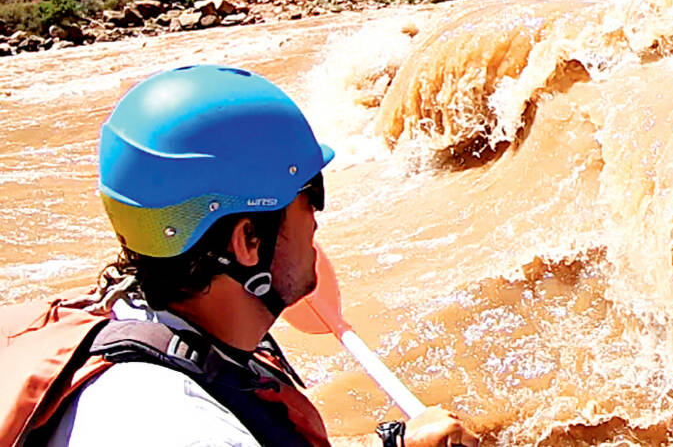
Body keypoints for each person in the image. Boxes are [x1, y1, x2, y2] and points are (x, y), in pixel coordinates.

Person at [6, 64, 479, 447]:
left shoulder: (129, 313)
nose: (316, 219)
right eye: (309, 193)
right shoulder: (182, 428)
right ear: (247, 240)